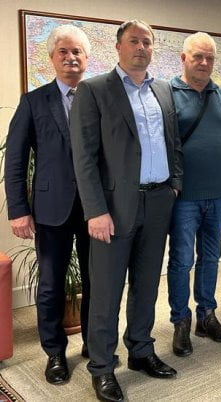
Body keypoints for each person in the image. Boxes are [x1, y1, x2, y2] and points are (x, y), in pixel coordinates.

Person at [70, 20, 182, 402]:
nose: (141, 47)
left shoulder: (163, 90)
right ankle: (102, 367)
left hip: (158, 201)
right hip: (113, 209)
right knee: (106, 292)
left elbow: (173, 143)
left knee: (147, 284)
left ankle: (141, 350)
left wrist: (174, 184)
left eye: (147, 42)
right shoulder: (94, 90)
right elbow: (84, 158)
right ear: (118, 47)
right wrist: (95, 211)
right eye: (134, 41)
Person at [4, 24, 91, 386]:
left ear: (87, 58)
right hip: (51, 208)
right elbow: (15, 160)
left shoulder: (99, 98)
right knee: (52, 285)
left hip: (95, 209)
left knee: (96, 280)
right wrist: (18, 210)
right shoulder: (34, 101)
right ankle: (55, 353)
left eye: (77, 52)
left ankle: (93, 344)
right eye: (63, 52)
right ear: (53, 58)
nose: (71, 58)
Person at [167, 32, 221, 358]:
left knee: (211, 257)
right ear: (184, 58)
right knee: (182, 260)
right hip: (184, 198)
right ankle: (180, 321)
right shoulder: (168, 94)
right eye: (198, 56)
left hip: (217, 196)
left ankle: (206, 316)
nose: (204, 63)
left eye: (210, 58)